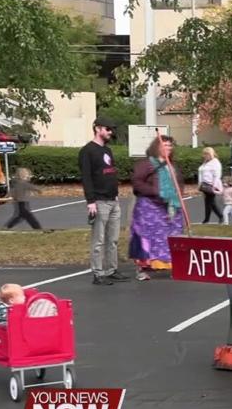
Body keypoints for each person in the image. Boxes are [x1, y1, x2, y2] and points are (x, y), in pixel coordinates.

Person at [129, 135, 185, 281]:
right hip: (149, 207)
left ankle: (172, 265)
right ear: (157, 147)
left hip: (170, 208)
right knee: (145, 237)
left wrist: (177, 197)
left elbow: (179, 185)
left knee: (171, 237)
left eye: (170, 146)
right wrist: (155, 191)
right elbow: (137, 182)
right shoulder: (146, 164)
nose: (168, 148)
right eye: (165, 145)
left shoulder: (172, 166)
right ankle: (142, 268)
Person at [79, 117, 128, 285]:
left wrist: (115, 194)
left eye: (111, 130)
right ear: (98, 129)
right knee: (98, 240)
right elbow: (86, 177)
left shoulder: (107, 151)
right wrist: (90, 201)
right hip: (99, 201)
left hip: (113, 200)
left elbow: (110, 172)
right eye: (108, 129)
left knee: (112, 239)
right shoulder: (87, 151)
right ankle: (98, 273)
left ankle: (111, 269)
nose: (110, 132)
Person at [197, 147, 223, 224]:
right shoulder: (205, 162)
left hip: (210, 185)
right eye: (204, 154)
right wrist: (199, 184)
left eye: (206, 154)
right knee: (209, 202)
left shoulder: (215, 162)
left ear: (210, 154)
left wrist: (214, 186)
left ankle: (217, 217)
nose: (204, 155)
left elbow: (217, 175)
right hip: (204, 185)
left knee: (210, 203)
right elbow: (201, 173)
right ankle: (208, 219)